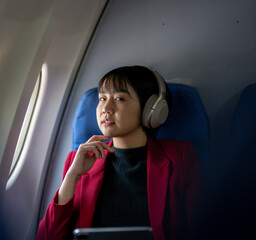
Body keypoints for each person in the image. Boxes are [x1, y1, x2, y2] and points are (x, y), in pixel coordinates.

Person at [37, 65, 205, 240]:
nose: (106, 108)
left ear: (151, 110)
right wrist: (73, 175)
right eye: (102, 98)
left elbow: (202, 228)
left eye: (119, 98)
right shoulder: (78, 160)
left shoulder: (180, 157)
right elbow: (47, 237)